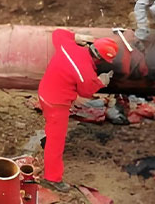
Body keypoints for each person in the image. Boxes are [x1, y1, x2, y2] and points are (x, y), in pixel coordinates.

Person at [37, 29, 118, 192]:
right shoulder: (86, 72)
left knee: (52, 127)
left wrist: (76, 37)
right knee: (57, 142)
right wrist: (101, 81)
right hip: (57, 104)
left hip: (44, 93)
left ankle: (47, 140)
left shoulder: (68, 46)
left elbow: (57, 34)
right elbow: (86, 91)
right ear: (99, 58)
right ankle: (52, 178)